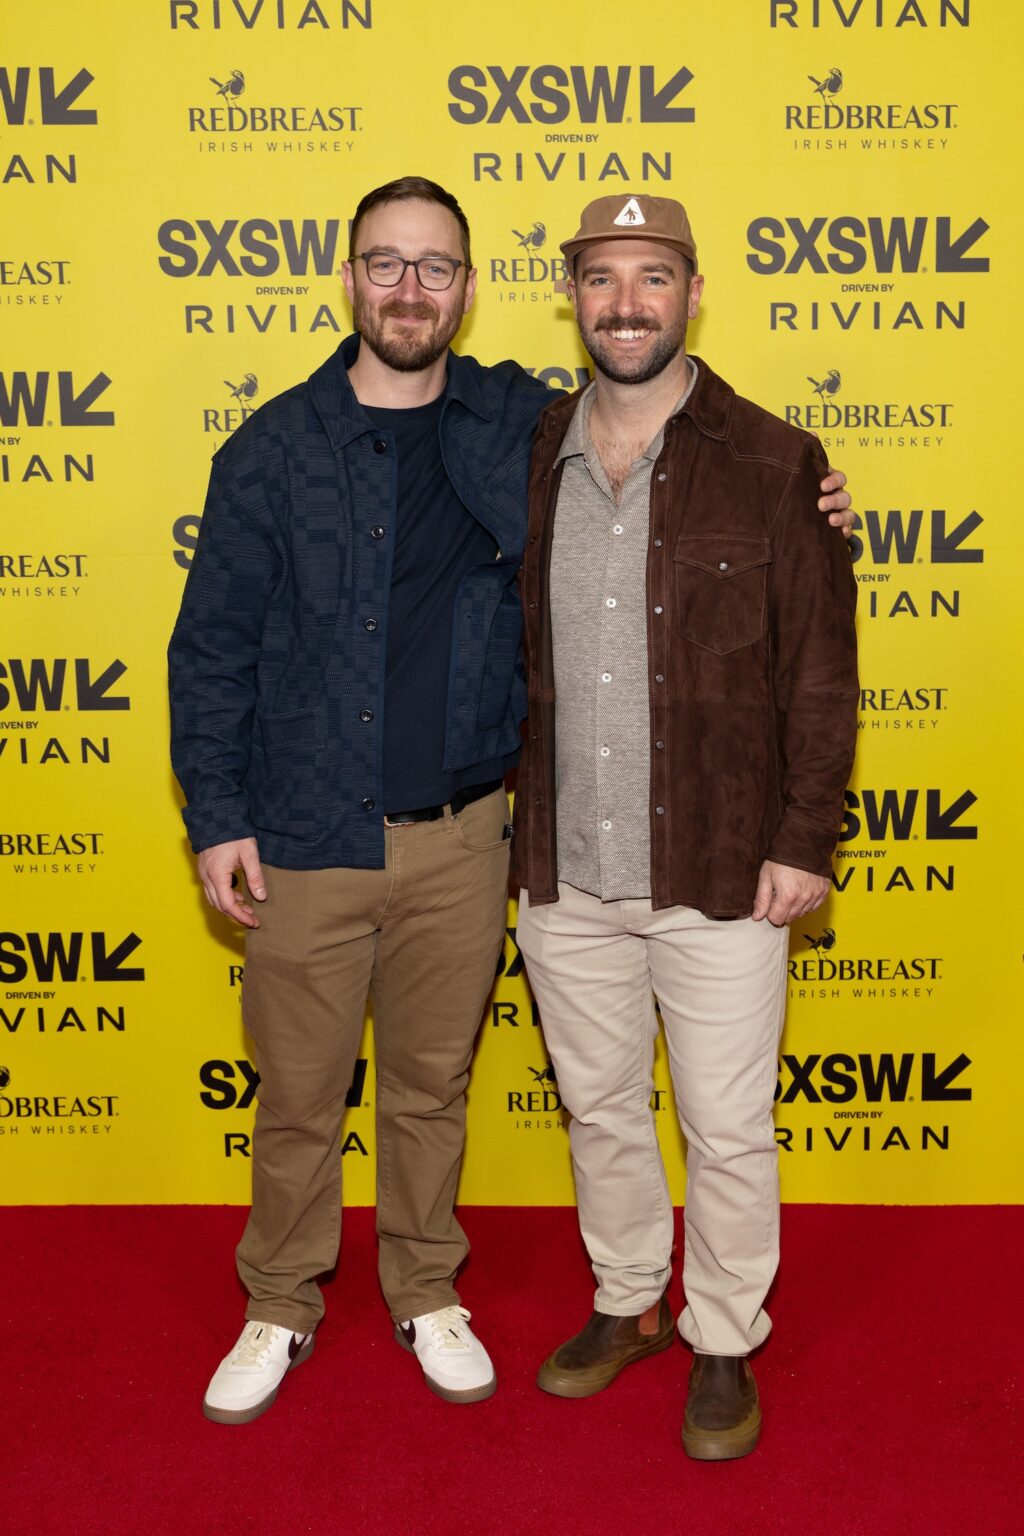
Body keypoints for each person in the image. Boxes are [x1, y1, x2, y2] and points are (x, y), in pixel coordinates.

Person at [168, 177, 854, 1426]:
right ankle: (284, 1305)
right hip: (335, 833)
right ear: (351, 280)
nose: (410, 290)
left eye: (435, 268)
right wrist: (217, 811)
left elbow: (801, 630)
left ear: (471, 292)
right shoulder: (288, 447)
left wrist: (822, 506)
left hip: (494, 840)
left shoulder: (533, 425)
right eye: (387, 264)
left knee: (451, 1095)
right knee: (311, 1099)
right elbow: (208, 647)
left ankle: (485, 1301)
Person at [512, 192, 859, 1460]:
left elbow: (824, 675)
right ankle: (625, 1302)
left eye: (649, 277)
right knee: (598, 1108)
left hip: (721, 861)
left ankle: (721, 1334)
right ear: (574, 298)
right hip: (564, 866)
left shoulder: (776, 461)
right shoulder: (529, 444)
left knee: (724, 1124)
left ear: (691, 291)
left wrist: (803, 838)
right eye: (601, 279)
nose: (624, 303)